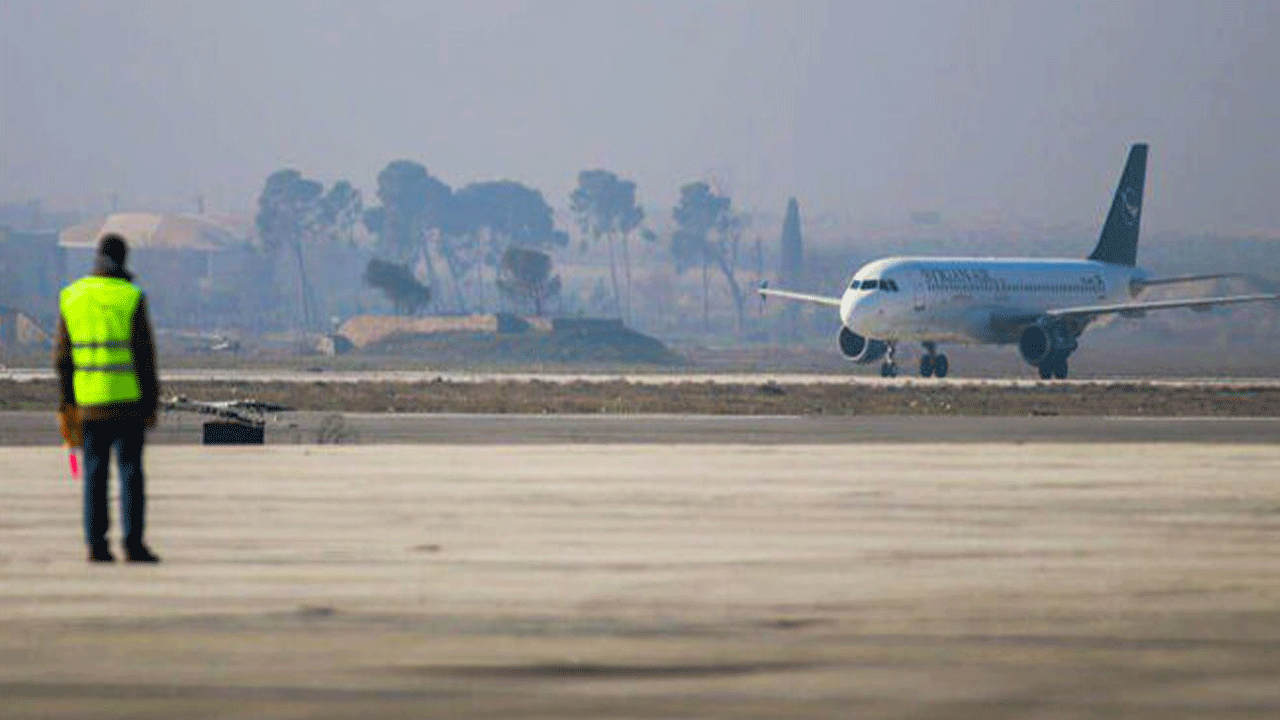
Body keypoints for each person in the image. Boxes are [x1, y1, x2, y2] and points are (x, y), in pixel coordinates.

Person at [55, 234, 161, 563]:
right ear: (124, 258)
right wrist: (151, 402)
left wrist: (67, 404)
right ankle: (132, 543)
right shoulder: (131, 296)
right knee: (131, 472)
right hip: (128, 403)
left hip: (88, 404)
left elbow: (62, 358)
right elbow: (145, 355)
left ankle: (96, 545)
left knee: (94, 473)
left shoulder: (72, 296)